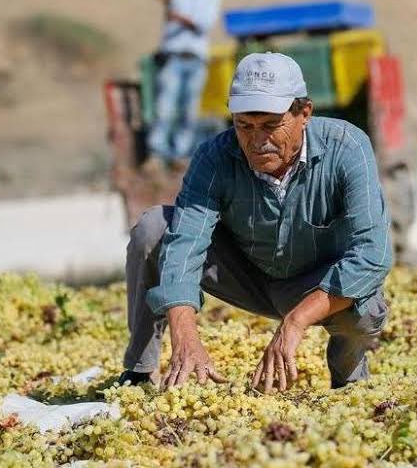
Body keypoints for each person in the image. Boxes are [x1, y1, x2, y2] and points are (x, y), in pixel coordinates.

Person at [120, 53, 393, 392]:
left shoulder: (346, 147)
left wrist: (295, 322)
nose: (257, 140)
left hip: (314, 283)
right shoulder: (214, 157)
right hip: (246, 275)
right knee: (154, 228)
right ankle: (139, 373)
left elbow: (372, 255)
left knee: (365, 307)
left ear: (304, 113)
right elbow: (184, 246)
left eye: (270, 125)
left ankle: (347, 380)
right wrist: (186, 337)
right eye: (244, 126)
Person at [144, 0, 221, 176]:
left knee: (189, 111)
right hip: (173, 55)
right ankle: (157, 154)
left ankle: (181, 155)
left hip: (197, 57)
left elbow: (205, 23)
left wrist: (181, 18)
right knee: (165, 108)